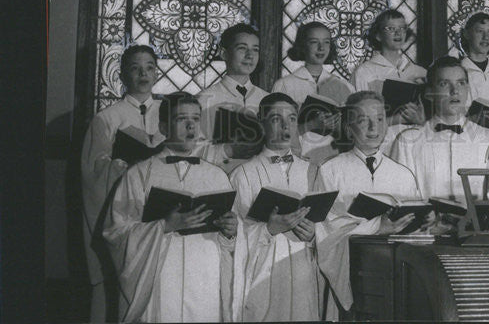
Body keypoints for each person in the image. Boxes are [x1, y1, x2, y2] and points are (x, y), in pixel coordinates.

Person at [102, 92, 238, 323]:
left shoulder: (217, 176)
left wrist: (230, 232)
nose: (190, 126)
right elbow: (115, 233)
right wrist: (164, 226)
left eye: (195, 119)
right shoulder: (139, 174)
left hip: (205, 277)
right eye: (181, 119)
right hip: (160, 276)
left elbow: (230, 245)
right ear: (164, 127)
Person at [315, 92, 422, 315]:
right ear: (348, 128)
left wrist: (424, 222)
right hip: (353, 271)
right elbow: (325, 229)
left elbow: (414, 231)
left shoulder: (403, 174)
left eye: (380, 119)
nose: (374, 127)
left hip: (395, 273)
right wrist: (376, 227)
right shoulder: (330, 171)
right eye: (363, 120)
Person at [81, 45, 163, 323]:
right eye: (135, 67)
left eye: (150, 67)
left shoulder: (168, 114)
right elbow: (94, 171)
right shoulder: (107, 118)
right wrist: (124, 169)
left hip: (161, 212)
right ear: (122, 74)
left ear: (157, 72)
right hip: (124, 209)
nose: (143, 73)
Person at [230, 93, 325, 322]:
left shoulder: (312, 171)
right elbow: (233, 237)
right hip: (262, 278)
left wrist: (315, 234)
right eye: (276, 119)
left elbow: (328, 226)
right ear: (261, 125)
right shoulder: (243, 174)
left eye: (292, 119)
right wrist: (268, 229)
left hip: (303, 274)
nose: (285, 125)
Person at [390, 56, 489, 208]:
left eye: (461, 83)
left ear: (468, 89)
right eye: (444, 84)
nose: (455, 91)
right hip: (426, 230)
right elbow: (399, 198)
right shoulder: (406, 142)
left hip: (474, 229)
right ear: (429, 93)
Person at [273, 22, 354, 164]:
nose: (321, 48)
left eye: (326, 42)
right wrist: (312, 125)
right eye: (314, 42)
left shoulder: (344, 86)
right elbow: (274, 133)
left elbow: (354, 134)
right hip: (298, 161)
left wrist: (339, 127)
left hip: (335, 161)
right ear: (303, 46)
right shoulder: (284, 85)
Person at [351, 10, 426, 132]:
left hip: (415, 139)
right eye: (391, 28)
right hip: (382, 141)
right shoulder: (364, 72)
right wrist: (397, 119)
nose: (398, 33)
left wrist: (421, 120)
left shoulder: (420, 72)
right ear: (378, 35)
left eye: (402, 28)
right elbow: (358, 119)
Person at [198, 23, 266, 144]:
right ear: (224, 54)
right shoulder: (204, 100)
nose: (250, 55)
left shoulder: (267, 99)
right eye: (242, 48)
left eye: (255, 49)